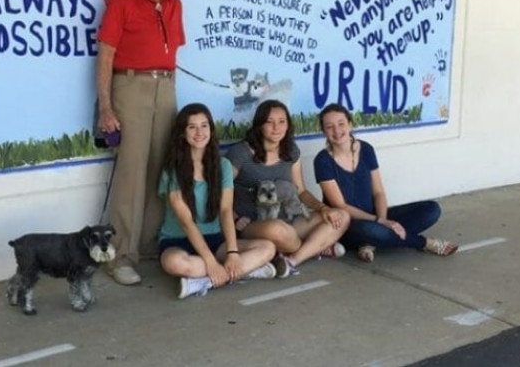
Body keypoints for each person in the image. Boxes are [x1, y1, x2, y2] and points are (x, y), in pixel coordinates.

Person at [96, 0, 185, 285]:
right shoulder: (123, 3)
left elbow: (170, 51)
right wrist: (106, 107)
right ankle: (118, 254)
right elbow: (105, 56)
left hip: (165, 87)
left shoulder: (175, 5)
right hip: (131, 87)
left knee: (159, 168)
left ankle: (148, 245)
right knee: (131, 173)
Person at [158, 103, 278, 299]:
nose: (199, 132)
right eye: (192, 127)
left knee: (268, 248)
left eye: (204, 125)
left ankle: (203, 281)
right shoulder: (173, 170)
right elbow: (186, 222)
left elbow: (225, 211)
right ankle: (243, 272)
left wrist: (232, 253)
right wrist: (210, 262)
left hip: (215, 239)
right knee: (173, 263)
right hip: (178, 240)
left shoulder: (223, 166)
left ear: (211, 130)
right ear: (182, 133)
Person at [313, 103, 458, 263]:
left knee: (432, 209)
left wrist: (383, 219)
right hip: (348, 225)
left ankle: (372, 243)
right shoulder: (322, 161)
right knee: (371, 229)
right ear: (324, 131)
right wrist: (381, 222)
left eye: (341, 124)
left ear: (350, 124)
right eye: (330, 127)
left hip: (375, 216)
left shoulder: (366, 149)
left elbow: (378, 192)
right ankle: (423, 242)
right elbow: (341, 206)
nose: (337, 131)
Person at [227, 99, 350, 278]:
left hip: (289, 221)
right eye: (269, 122)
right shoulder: (241, 153)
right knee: (276, 229)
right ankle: (317, 247)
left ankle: (291, 261)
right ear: (259, 125)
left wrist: (324, 209)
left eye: (282, 122)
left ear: (288, 125)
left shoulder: (291, 150)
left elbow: (301, 191)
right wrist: (236, 218)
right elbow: (219, 194)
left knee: (342, 216)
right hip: (255, 224)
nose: (276, 128)